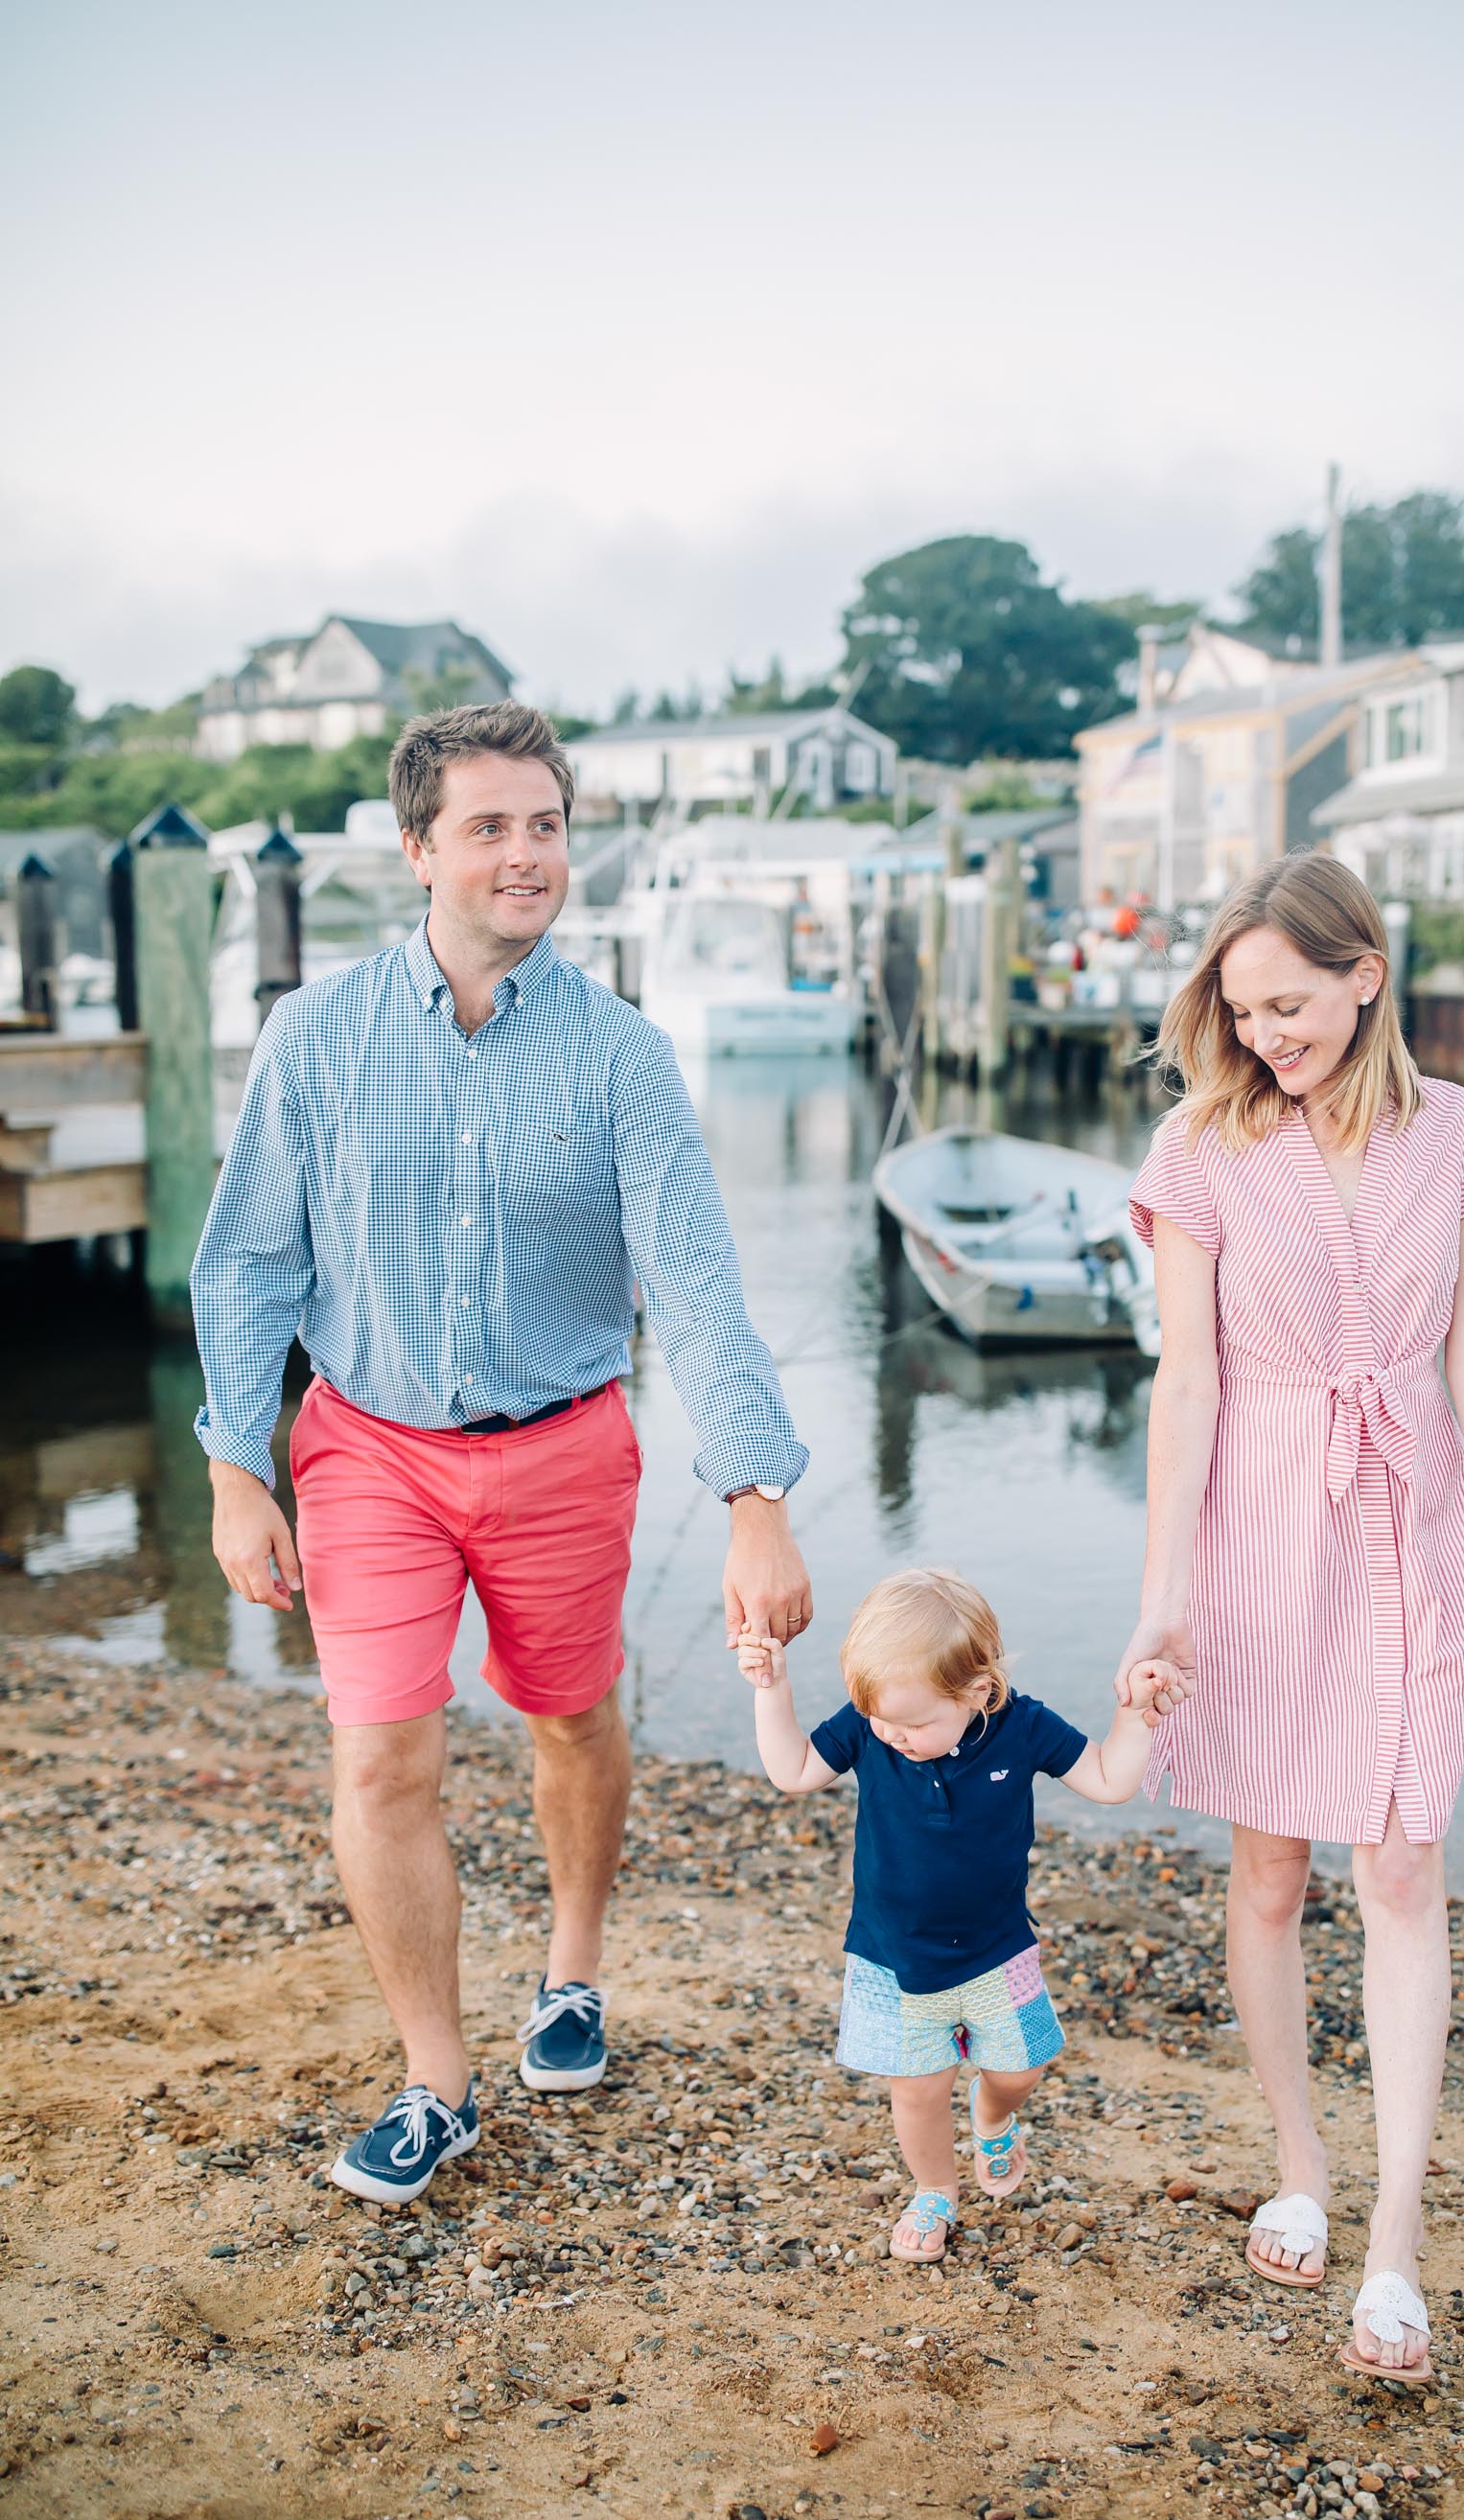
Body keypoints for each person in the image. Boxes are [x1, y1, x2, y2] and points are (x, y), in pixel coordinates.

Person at [190, 699, 812, 2205]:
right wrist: (233, 1467)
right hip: (368, 1451)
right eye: (488, 826)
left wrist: (754, 1497)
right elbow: (249, 1265)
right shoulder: (314, 1038)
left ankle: (573, 1971)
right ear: (420, 851)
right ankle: (436, 2081)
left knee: (570, 1719)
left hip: (562, 1451)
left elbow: (698, 1280)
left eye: (545, 824)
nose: (524, 855)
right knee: (379, 1755)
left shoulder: (624, 1057)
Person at [1114, 849, 1464, 2387]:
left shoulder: (1462, 1140)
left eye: (1290, 1002)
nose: (1268, 1032)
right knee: (1273, 1869)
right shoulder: (1199, 1147)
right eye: (1243, 1008)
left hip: (1409, 1513)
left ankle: (1396, 2248)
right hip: (1259, 1524)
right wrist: (1168, 1593)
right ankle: (1301, 2159)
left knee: (1405, 1855)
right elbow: (1189, 1379)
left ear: (1367, 976)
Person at [738, 1569, 1175, 2263]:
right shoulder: (868, 1728)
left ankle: (995, 2115)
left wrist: (1135, 1715)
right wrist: (772, 1690)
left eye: (914, 1723)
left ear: (975, 1692)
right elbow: (792, 1770)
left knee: (1020, 2071)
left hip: (998, 1952)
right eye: (881, 1719)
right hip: (894, 1959)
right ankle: (934, 2191)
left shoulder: (1023, 1727)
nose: (894, 1736)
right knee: (917, 2091)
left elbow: (1110, 1781)